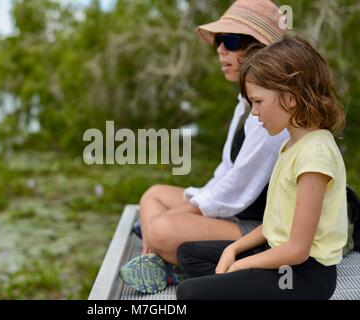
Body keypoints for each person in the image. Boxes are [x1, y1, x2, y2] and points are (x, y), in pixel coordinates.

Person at [120, 0, 288, 294]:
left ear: (258, 49)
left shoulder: (272, 112)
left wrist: (181, 215)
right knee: (153, 196)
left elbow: (236, 191)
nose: (220, 49)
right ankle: (168, 258)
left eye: (231, 41)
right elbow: (226, 171)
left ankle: (178, 263)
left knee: (161, 227)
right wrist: (190, 206)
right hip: (235, 215)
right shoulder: (246, 103)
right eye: (219, 42)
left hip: (258, 228)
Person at [176, 36, 348, 300]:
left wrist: (240, 266)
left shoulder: (315, 155)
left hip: (303, 277)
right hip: (279, 256)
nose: (254, 112)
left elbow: (298, 250)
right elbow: (273, 225)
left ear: (290, 99)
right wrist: (232, 251)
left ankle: (219, 284)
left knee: (188, 294)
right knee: (188, 252)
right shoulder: (291, 145)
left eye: (258, 102)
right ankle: (225, 283)